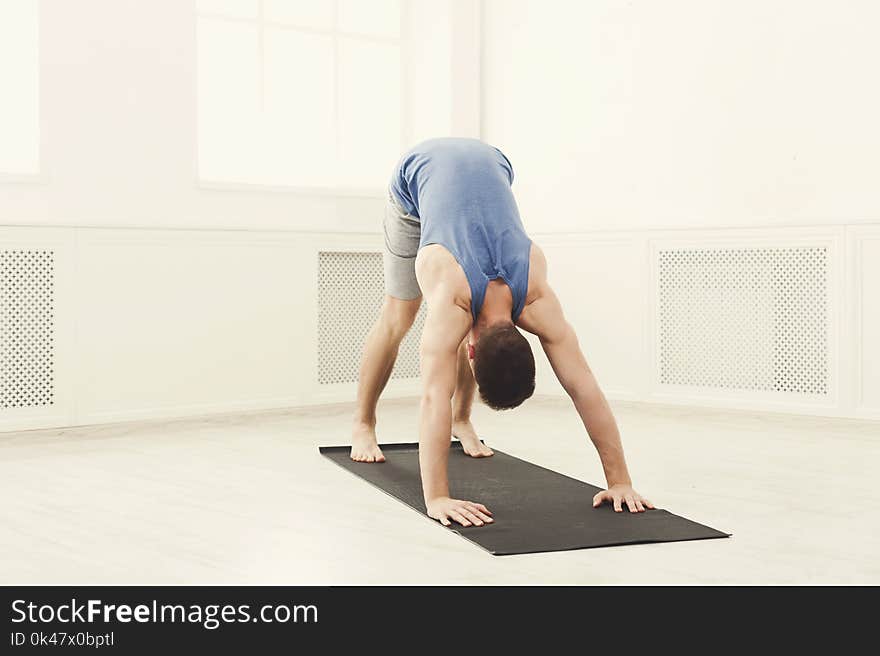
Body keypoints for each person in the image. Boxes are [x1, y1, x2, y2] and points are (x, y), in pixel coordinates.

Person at [350, 137, 652, 527]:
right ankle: (363, 423)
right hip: (417, 177)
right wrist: (437, 496)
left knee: (455, 330)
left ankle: (463, 422)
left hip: (493, 162)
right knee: (398, 315)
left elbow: (583, 386)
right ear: (471, 353)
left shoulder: (536, 295)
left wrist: (620, 482)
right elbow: (432, 396)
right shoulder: (451, 293)